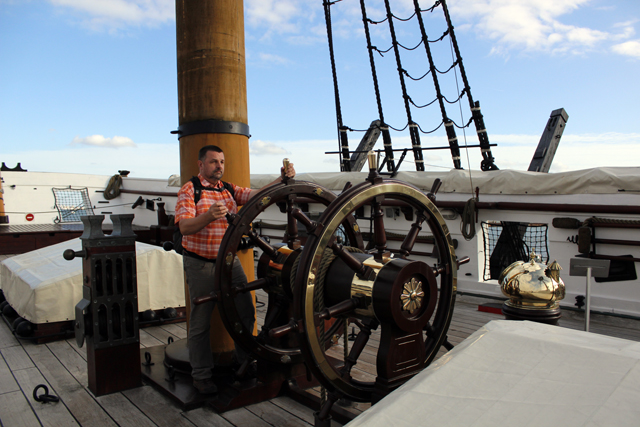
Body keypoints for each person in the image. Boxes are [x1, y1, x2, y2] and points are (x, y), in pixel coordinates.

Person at [174, 144, 295, 394]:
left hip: (229, 263)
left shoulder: (227, 189)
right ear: (200, 164)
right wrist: (208, 216)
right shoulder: (190, 190)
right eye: (213, 162)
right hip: (200, 263)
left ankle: (244, 362)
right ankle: (202, 375)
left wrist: (281, 179)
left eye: (221, 162)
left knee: (245, 312)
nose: (218, 166)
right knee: (200, 323)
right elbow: (184, 228)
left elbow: (255, 196)